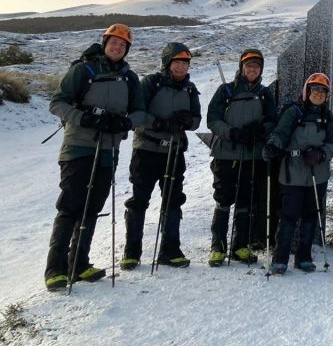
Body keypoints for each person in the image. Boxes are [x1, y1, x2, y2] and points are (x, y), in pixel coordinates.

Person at [45, 24, 145, 291]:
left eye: (122, 45)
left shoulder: (129, 77)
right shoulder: (84, 70)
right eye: (113, 42)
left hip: (108, 150)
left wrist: (125, 123)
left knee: (92, 207)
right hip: (78, 147)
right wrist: (84, 118)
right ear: (104, 43)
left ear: (127, 49)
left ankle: (78, 264)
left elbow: (141, 112)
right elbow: (57, 102)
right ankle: (55, 269)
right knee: (70, 206)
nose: (117, 47)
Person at [120, 42, 201, 270]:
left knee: (173, 200)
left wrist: (186, 120)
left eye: (185, 63)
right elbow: (136, 112)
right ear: (167, 63)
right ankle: (131, 252)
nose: (182, 67)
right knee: (139, 201)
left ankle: (170, 250)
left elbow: (196, 120)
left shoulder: (190, 88)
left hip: (174, 152)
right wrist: (157, 122)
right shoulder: (151, 83)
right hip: (146, 150)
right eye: (177, 62)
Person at [263, 72, 333, 274]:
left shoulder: (327, 117)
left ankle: (304, 257)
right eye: (315, 90)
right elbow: (281, 133)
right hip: (293, 172)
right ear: (307, 91)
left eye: (323, 91)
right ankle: (280, 258)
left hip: (317, 172)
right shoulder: (294, 112)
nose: (319, 94)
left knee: (310, 216)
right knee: (288, 215)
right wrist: (272, 146)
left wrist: (321, 154)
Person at [206, 49, 276, 267]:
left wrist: (259, 129)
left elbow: (273, 120)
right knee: (223, 199)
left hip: (252, 155)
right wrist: (232, 133)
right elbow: (213, 119)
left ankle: (240, 246)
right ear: (241, 67)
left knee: (246, 200)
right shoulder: (226, 90)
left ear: (261, 69)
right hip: (226, 153)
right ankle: (218, 247)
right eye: (248, 65)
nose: (252, 69)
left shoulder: (265, 94)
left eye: (256, 66)